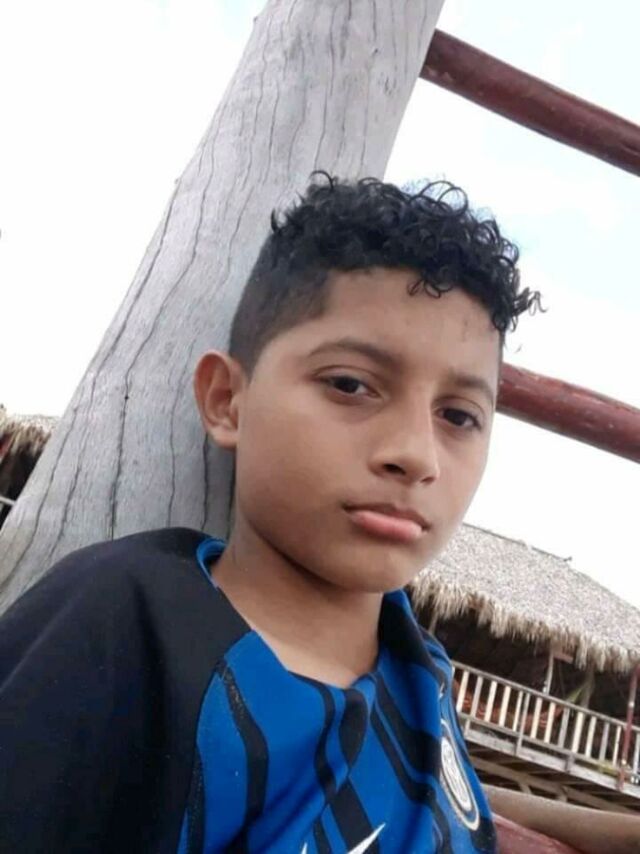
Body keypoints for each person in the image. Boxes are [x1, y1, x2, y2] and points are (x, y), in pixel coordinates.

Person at [0, 175, 635, 854]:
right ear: (227, 400)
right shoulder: (128, 626)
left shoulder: (420, 676)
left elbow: (452, 804)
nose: (415, 455)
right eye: (351, 385)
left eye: (458, 416)